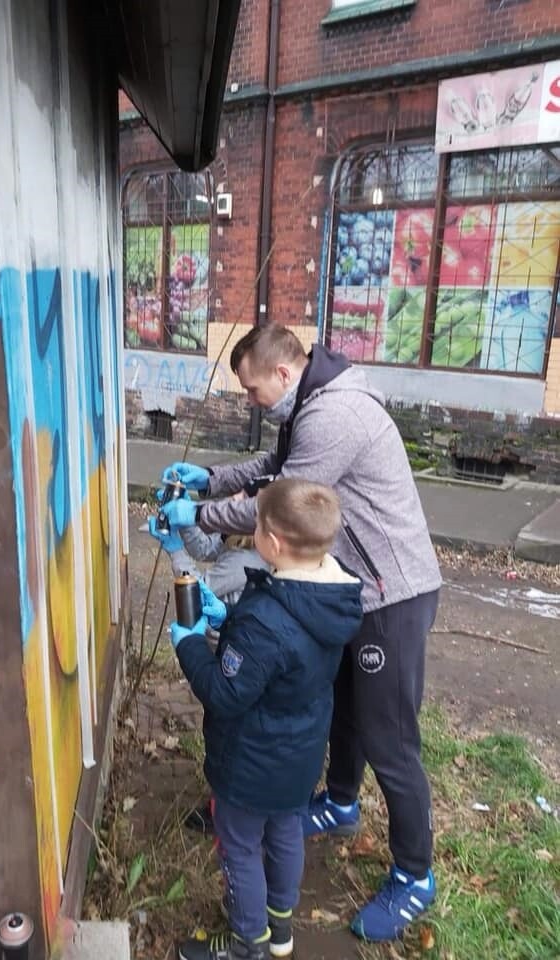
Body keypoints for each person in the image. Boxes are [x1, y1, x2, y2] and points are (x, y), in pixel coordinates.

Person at [159, 323, 443, 943]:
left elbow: (282, 499)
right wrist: (210, 476)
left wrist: (198, 515)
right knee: (342, 705)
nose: (253, 402)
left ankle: (416, 875)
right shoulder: (311, 405)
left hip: (391, 592)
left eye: (254, 391)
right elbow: (271, 465)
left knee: (388, 739)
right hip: (349, 586)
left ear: (284, 374)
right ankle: (340, 804)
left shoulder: (333, 416)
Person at [169, 479, 363, 960]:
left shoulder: (266, 619)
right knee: (284, 834)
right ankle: (280, 930)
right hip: (298, 760)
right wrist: (228, 621)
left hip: (251, 765)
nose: (253, 530)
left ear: (272, 543)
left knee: (238, 847)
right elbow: (281, 658)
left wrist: (189, 643)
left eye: (256, 525)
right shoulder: (330, 597)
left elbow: (225, 693)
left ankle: (246, 942)